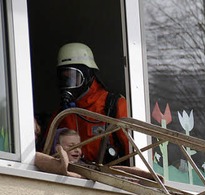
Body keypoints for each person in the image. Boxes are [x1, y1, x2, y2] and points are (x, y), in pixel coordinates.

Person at [46, 42, 129, 165]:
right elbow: (46, 152)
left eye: (74, 77)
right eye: (64, 79)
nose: (69, 84)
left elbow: (136, 153)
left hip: (110, 177)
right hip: (75, 177)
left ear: (89, 75)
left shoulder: (113, 105)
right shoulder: (61, 114)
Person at [35, 128, 164, 183]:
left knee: (114, 171)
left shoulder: (84, 163)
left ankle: (145, 177)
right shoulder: (52, 163)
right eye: (70, 146)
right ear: (57, 147)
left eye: (79, 146)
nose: (76, 150)